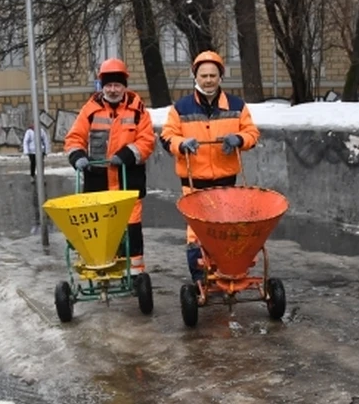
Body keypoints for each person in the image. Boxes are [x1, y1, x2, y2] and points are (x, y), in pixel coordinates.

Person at [160, 50, 261, 283]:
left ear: (220, 77)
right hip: (194, 181)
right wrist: (181, 144)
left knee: (227, 229)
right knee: (197, 232)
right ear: (195, 77)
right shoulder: (181, 108)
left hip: (226, 181)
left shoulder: (236, 105)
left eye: (212, 75)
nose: (208, 80)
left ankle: (230, 267)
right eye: (203, 75)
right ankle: (199, 277)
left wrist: (239, 139)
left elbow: (252, 133)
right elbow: (166, 137)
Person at [65, 58, 155, 274]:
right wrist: (77, 156)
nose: (113, 89)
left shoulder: (138, 110)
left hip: (128, 179)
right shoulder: (90, 110)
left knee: (132, 225)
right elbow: (74, 138)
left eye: (117, 85)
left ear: (124, 86)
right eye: (109, 85)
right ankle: (102, 264)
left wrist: (125, 155)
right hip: (98, 180)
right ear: (102, 86)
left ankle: (135, 271)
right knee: (99, 227)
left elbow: (147, 141)